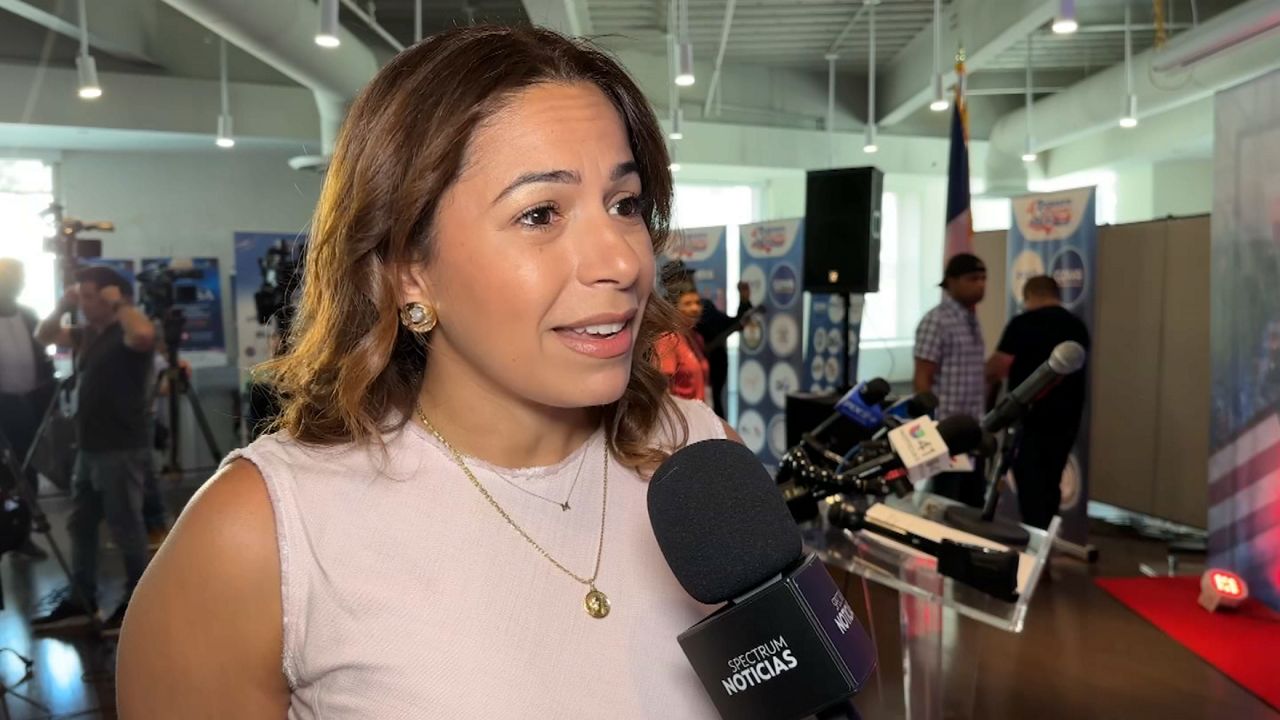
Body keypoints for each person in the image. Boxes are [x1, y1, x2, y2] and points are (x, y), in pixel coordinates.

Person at [118, 26, 740, 718]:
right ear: (409, 271)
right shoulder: (260, 536)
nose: (622, 262)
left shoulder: (703, 456)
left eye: (625, 205)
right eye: (540, 214)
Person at [31, 265, 156, 634]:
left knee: (125, 527)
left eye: (90, 297)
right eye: (81, 297)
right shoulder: (88, 335)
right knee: (80, 523)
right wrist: (62, 305)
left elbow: (144, 334)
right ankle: (81, 600)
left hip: (120, 447)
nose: (84, 304)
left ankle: (138, 606)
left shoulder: (128, 330)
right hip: (89, 447)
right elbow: (43, 335)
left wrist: (120, 304)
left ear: (111, 297)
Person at [986, 275, 1091, 529]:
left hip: (1030, 418)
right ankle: (1046, 533)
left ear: (1030, 295)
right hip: (1067, 417)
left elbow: (997, 367)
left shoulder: (1022, 324)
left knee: (1029, 479)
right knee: (1051, 480)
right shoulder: (1077, 327)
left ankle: (1034, 533)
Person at [914, 252, 988, 507]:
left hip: (973, 430)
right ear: (952, 282)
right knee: (944, 503)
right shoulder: (936, 321)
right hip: (946, 432)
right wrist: (929, 431)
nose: (980, 284)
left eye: (983, 278)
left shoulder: (971, 320)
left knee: (973, 503)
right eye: (973, 279)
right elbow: (922, 378)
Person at [0, 259, 55, 558]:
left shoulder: (29, 315)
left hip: (29, 407)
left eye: (18, 279)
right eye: (9, 278)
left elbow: (44, 357)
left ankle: (22, 536)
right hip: (2, 408)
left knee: (27, 473)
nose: (16, 284)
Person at [655, 275, 711, 402]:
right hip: (680, 413)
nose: (695, 308)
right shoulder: (667, 340)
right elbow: (663, 392)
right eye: (687, 304)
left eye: (697, 303)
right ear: (674, 308)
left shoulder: (696, 338)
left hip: (700, 410)